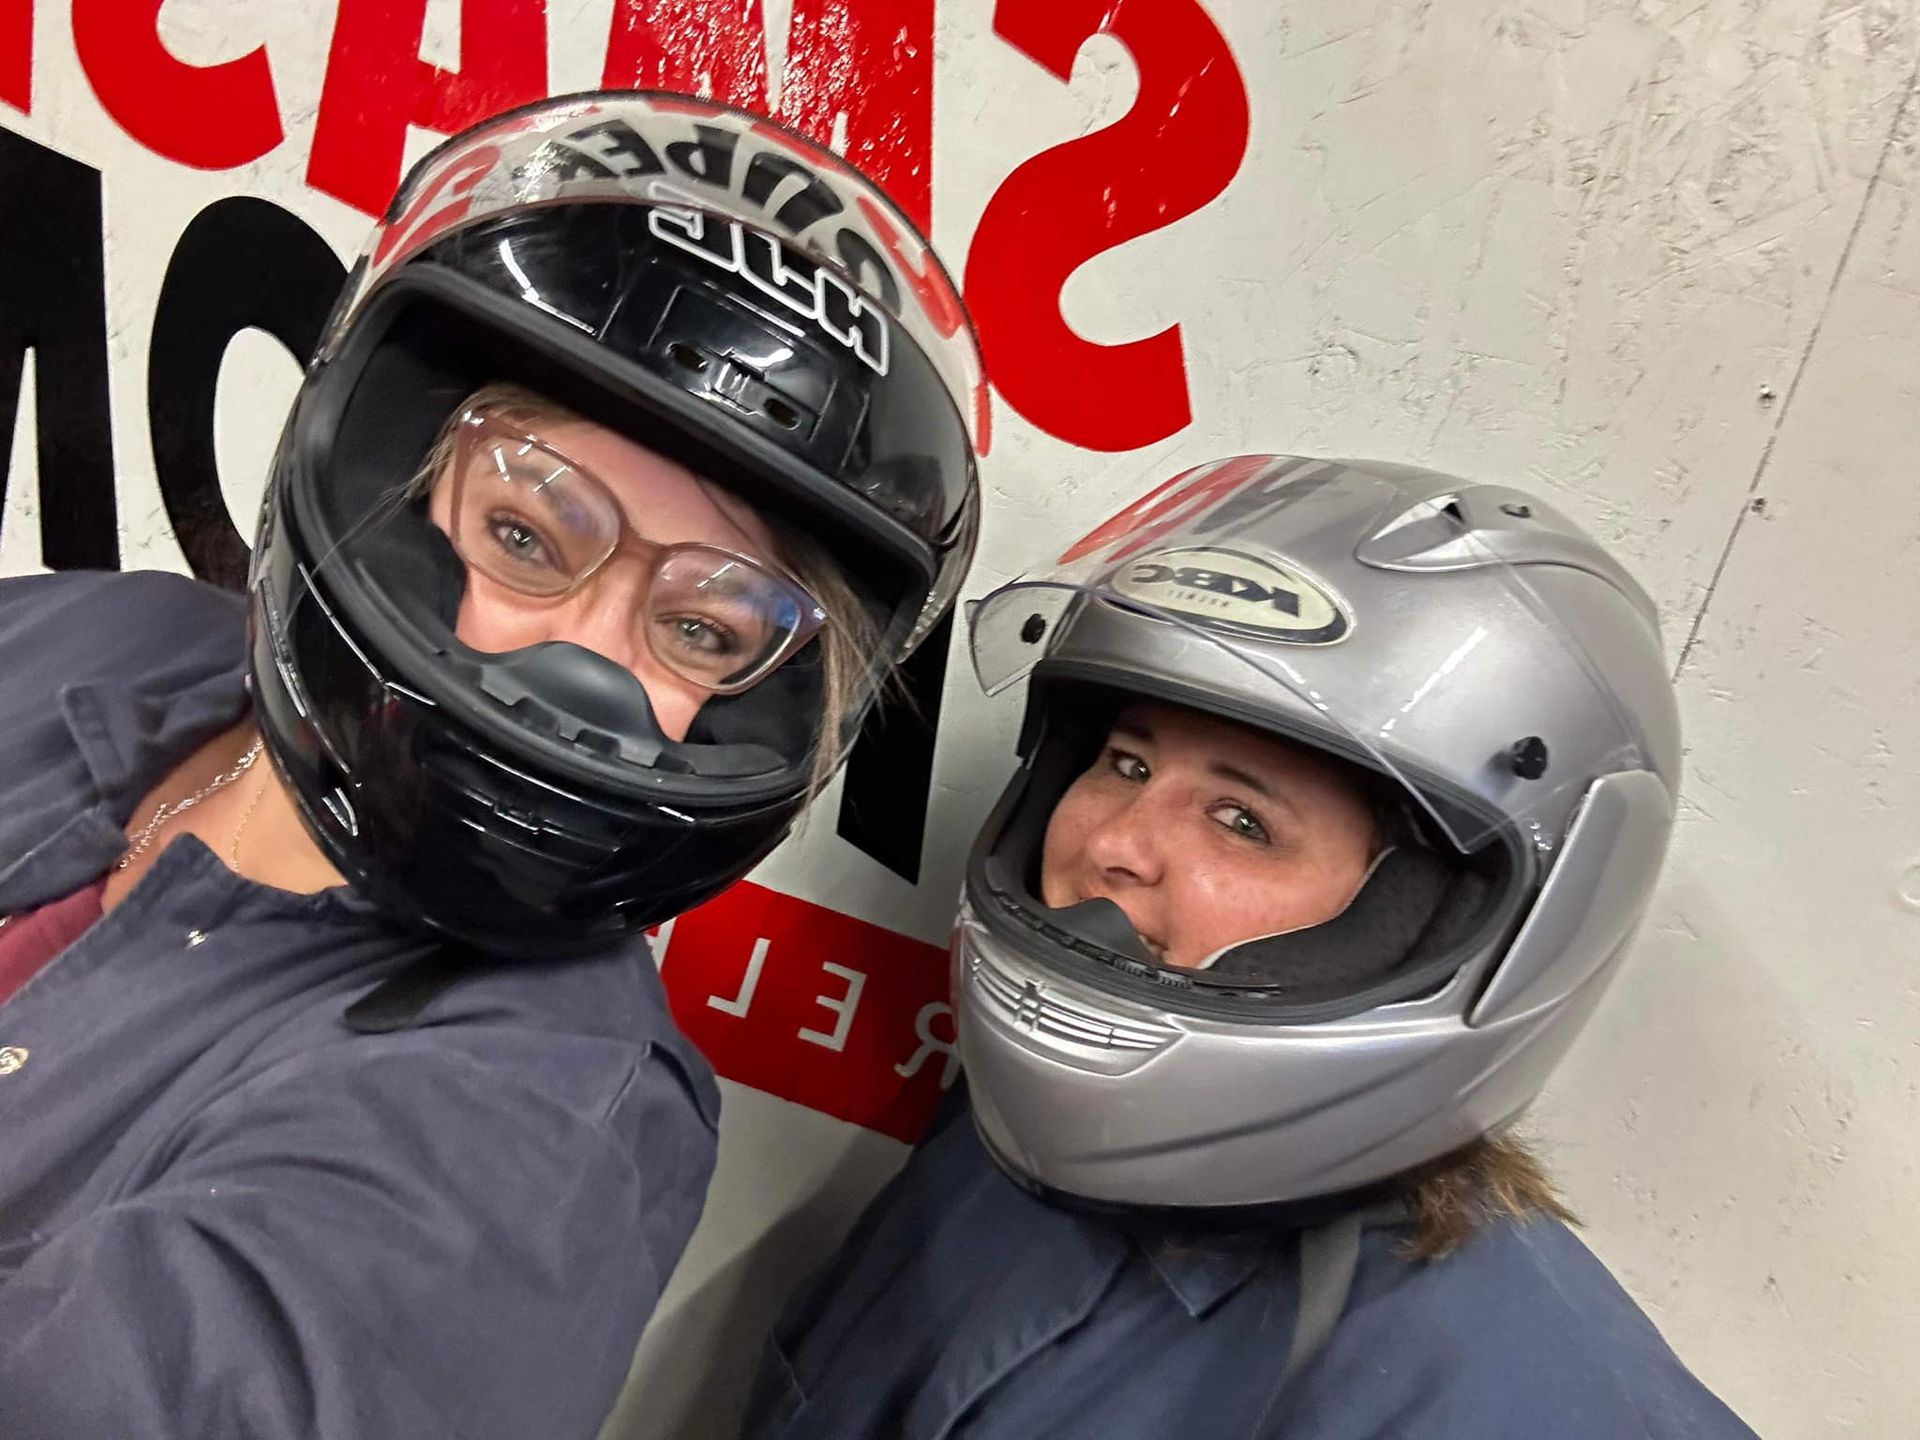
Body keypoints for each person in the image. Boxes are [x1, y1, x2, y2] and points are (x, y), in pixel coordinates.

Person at [0, 90, 985, 1439]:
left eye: (700, 626)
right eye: (526, 535)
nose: (571, 660)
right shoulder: (106, 639)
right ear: (396, 485)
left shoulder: (531, 1126)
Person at [743, 456, 1757, 1438]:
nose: (1111, 844)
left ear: (1432, 920)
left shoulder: (1532, 1404)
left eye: (1241, 822)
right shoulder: (1005, 1155)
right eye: (1125, 761)